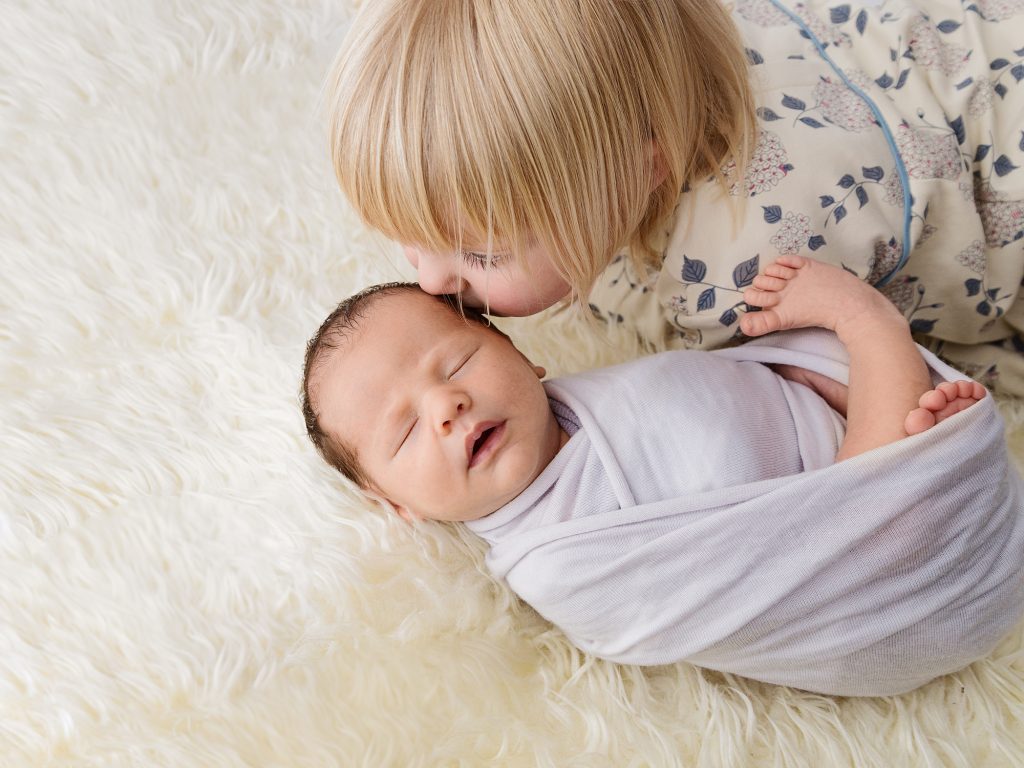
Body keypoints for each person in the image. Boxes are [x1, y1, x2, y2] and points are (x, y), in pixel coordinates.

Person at [300, 257, 1022, 696]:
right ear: (398, 505)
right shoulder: (561, 562)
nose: (446, 407)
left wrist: (814, 381)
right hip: (882, 577)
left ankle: (878, 404)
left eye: (456, 364)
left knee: (807, 358)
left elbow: (713, 390)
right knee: (895, 512)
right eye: (404, 431)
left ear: (524, 357)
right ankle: (872, 328)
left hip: (834, 440)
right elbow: (794, 573)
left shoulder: (580, 403)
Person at [327, 0, 1024, 395]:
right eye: (411, 237)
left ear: (643, 170)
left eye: (481, 254)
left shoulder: (741, 267)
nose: (429, 281)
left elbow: (866, 414)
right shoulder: (666, 34)